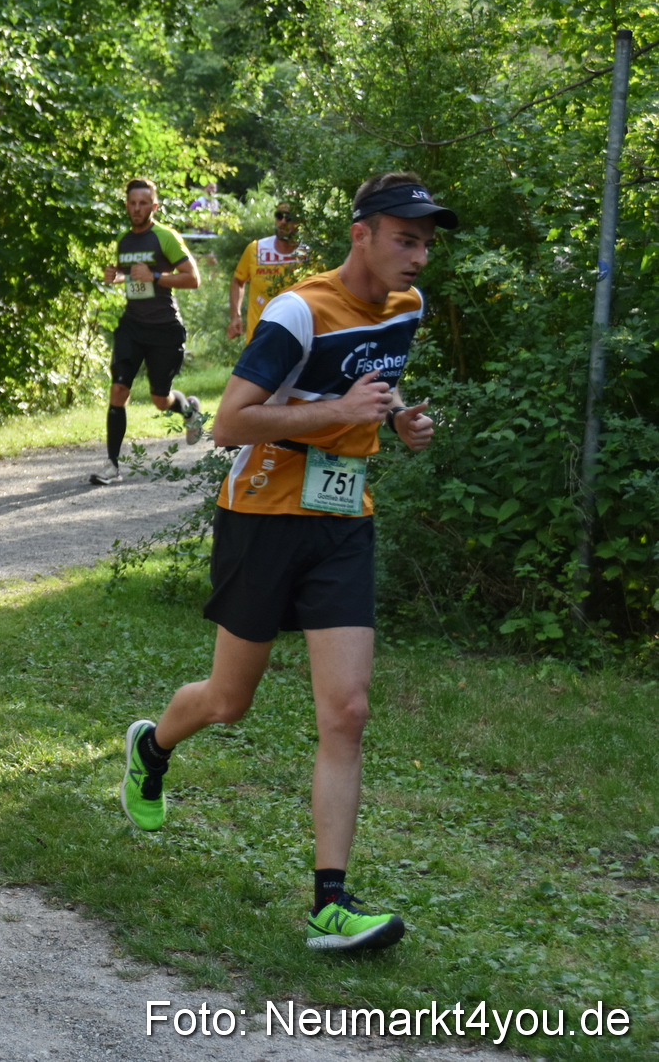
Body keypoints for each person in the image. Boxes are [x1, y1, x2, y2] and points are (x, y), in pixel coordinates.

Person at [120, 171, 452, 952]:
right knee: (229, 700)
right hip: (262, 518)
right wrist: (341, 413)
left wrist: (400, 419)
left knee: (348, 710)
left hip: (342, 521)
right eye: (407, 238)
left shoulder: (408, 307)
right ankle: (152, 746)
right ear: (361, 233)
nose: (420, 256)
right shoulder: (298, 309)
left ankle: (329, 904)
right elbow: (232, 421)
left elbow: (371, 383)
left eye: (428, 242)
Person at [93, 178, 207, 485]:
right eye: (132, 203)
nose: (137, 208)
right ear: (127, 205)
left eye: (143, 203)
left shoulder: (165, 237)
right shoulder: (124, 240)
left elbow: (192, 279)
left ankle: (188, 410)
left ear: (154, 206)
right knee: (119, 390)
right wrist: (114, 276)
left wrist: (156, 275)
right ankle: (112, 465)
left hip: (164, 329)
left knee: (160, 399)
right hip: (132, 325)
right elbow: (129, 276)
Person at [229, 200, 311, 343]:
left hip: (298, 338)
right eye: (279, 216)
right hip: (259, 339)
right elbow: (238, 281)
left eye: (289, 218)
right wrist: (236, 316)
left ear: (301, 222)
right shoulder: (256, 249)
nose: (283, 222)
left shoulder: (308, 253)